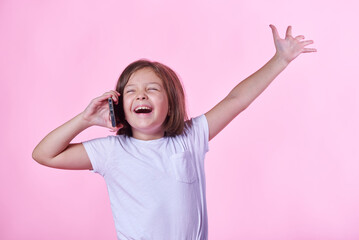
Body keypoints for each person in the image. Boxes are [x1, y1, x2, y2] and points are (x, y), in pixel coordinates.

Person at [32, 25, 316, 240]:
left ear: (171, 104)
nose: (141, 96)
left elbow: (236, 100)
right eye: (131, 91)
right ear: (120, 104)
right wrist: (85, 120)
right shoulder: (111, 152)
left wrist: (280, 60)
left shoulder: (190, 137)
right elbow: (44, 154)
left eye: (152, 89)